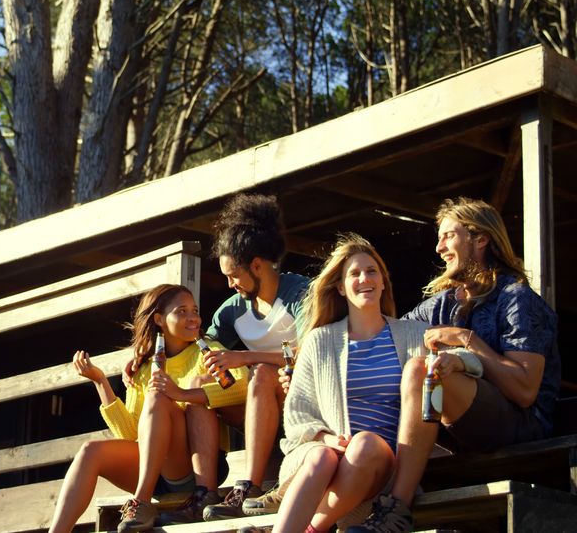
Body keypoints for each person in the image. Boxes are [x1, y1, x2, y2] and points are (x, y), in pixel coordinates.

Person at [348, 197, 560, 533]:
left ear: (480, 239)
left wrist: (467, 340)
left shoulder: (516, 298)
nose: (439, 247)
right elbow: (383, 339)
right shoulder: (441, 304)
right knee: (406, 368)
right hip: (457, 429)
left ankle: (395, 510)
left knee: (421, 370)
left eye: (448, 236)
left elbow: (524, 391)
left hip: (520, 425)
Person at [263, 234, 472, 533]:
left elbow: (473, 363)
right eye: (355, 273)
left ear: (384, 282)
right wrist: (327, 439)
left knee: (363, 445)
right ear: (340, 287)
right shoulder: (319, 341)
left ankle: (312, 529)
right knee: (321, 456)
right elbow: (297, 418)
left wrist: (459, 358)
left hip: (382, 466)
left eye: (372, 271)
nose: (365, 278)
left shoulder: (415, 334)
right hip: (328, 464)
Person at [48, 284, 249, 533]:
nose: (193, 318)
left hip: (197, 466)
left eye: (195, 310)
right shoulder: (144, 368)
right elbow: (131, 434)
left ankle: (140, 501)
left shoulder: (208, 351)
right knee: (90, 451)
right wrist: (100, 382)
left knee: (158, 396)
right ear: (159, 319)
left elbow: (243, 388)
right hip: (157, 472)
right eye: (182, 311)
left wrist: (182, 394)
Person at [200, 193, 310, 521]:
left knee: (262, 372)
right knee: (197, 393)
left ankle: (249, 485)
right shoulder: (233, 309)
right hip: (257, 411)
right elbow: (203, 342)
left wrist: (246, 358)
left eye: (234, 275)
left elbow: (309, 351)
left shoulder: (300, 293)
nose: (230, 284)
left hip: (302, 401)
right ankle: (201, 490)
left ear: (257, 265)